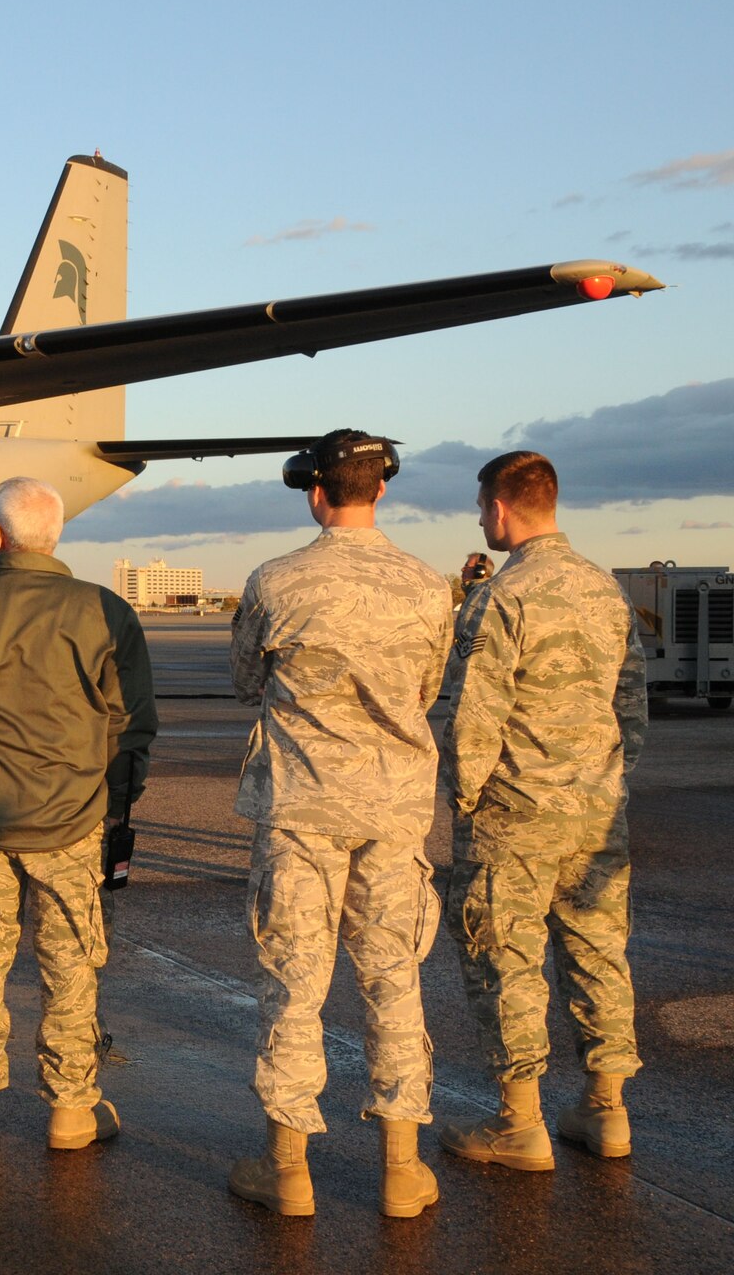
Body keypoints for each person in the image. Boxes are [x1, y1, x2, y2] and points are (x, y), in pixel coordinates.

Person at [225, 430, 450, 1220]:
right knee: (393, 979)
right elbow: (425, 688)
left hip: (299, 812)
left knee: (293, 984)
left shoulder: (275, 581)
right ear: (379, 489)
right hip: (392, 814)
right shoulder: (428, 586)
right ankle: (400, 1168)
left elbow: (248, 677)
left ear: (314, 492)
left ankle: (288, 1169)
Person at [0, 477, 155, 1154]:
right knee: (69, 965)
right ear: (56, 536)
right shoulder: (104, 611)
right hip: (71, 818)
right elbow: (131, 725)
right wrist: (108, 800)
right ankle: (72, 1110)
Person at [438, 451, 647, 1169]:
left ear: (500, 510)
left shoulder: (502, 596)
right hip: (596, 812)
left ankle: (519, 1122)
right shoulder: (605, 590)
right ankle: (606, 1110)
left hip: (515, 816)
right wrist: (602, 785)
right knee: (598, 954)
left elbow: (473, 717)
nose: (479, 521)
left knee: (506, 958)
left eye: (481, 509)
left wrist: (466, 803)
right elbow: (633, 709)